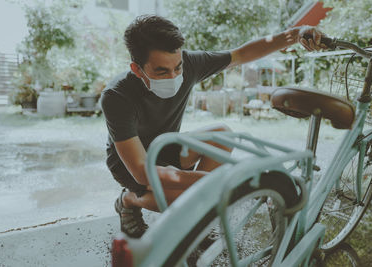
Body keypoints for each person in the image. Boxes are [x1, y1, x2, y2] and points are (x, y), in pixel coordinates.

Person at [100, 14, 326, 238]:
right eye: (161, 71)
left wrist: (296, 34)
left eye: (177, 68)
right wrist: (218, 181)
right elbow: (143, 172)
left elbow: (241, 54)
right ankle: (128, 200)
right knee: (185, 200)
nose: (174, 76)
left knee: (222, 136)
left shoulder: (190, 64)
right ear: (137, 69)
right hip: (130, 164)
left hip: (166, 147)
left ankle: (196, 213)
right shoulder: (116, 96)